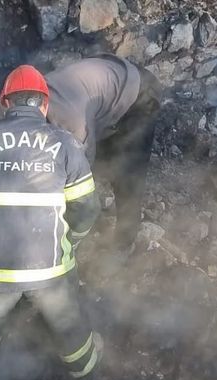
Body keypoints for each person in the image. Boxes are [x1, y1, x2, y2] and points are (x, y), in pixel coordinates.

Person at [0, 65, 103, 378]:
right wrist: (71, 241)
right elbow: (86, 208)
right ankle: (82, 364)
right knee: (66, 319)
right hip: (49, 269)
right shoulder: (67, 145)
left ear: (4, 103)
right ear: (45, 105)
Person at [44, 54, 162, 252]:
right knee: (99, 163)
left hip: (139, 94)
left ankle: (123, 245)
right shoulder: (9, 110)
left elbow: (80, 177)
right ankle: (94, 221)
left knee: (126, 175)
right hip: (103, 91)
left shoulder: (72, 123)